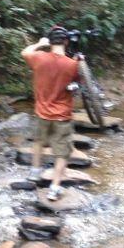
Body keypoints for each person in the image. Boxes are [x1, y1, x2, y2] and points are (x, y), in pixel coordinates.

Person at [21, 26, 80, 201]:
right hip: (62, 116)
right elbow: (77, 85)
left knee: (39, 141)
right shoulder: (72, 64)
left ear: (50, 41)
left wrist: (39, 44)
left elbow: (25, 52)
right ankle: (54, 188)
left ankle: (34, 172)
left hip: (42, 113)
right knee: (62, 153)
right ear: (66, 41)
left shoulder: (38, 58)